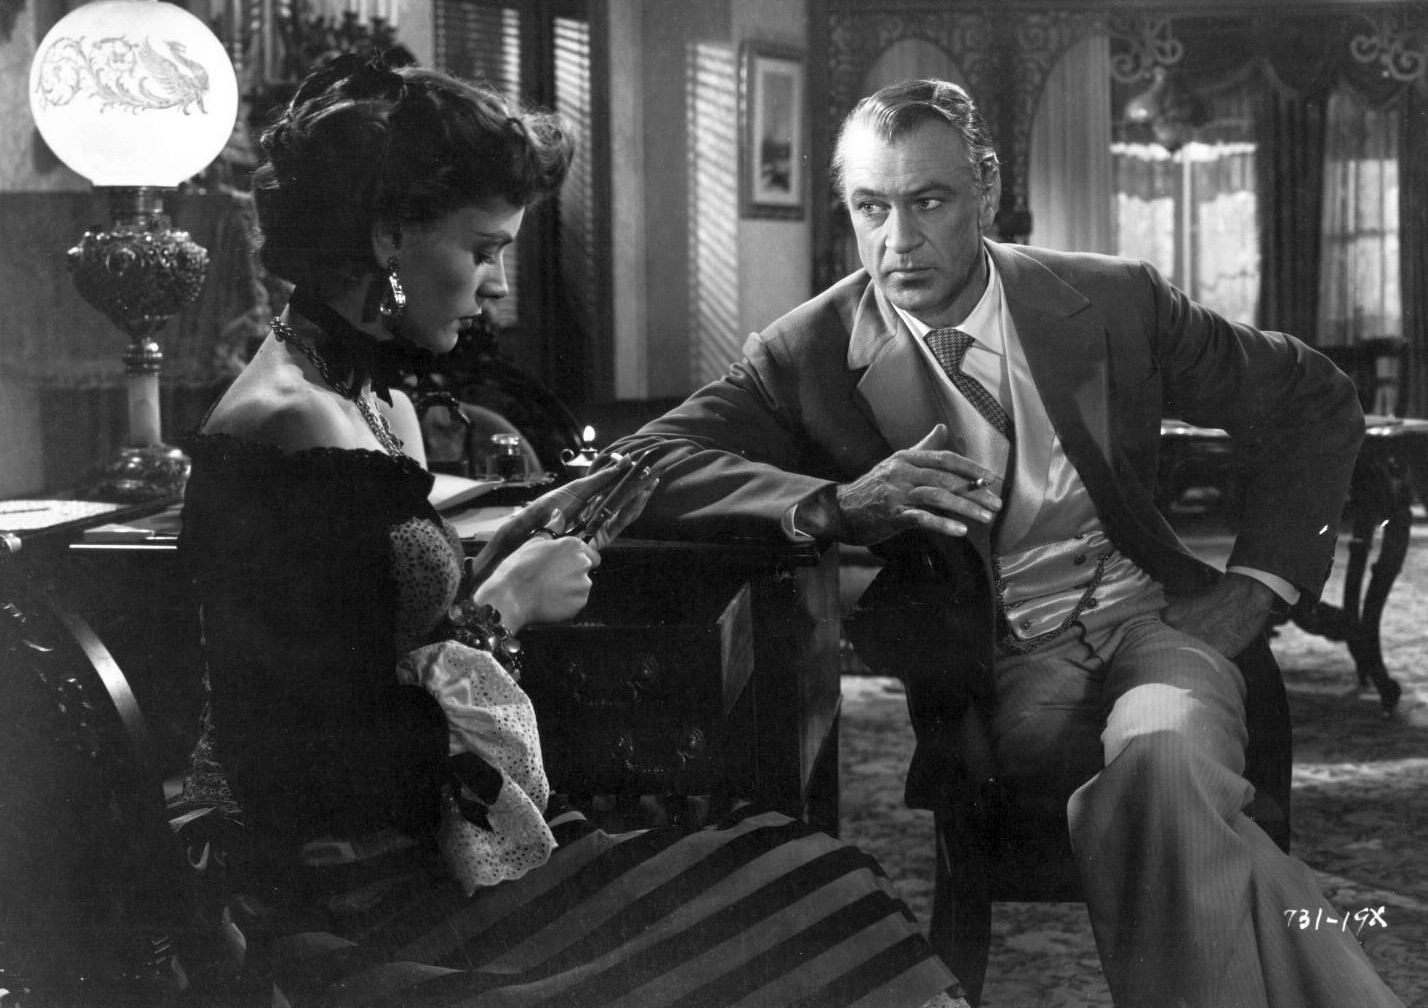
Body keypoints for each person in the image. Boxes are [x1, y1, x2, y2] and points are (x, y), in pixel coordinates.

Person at [175, 54, 965, 1008]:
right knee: (813, 918)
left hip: (432, 840)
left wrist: (495, 558)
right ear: (389, 236)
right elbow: (322, 761)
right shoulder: (287, 426)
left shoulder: (377, 401)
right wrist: (502, 611)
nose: (497, 283)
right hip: (359, 889)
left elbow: (375, 639)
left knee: (826, 878)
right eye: (483, 249)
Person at [602, 78, 1407, 1008]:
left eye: (928, 201)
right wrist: (836, 503)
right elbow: (641, 461)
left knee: (1164, 759)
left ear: (984, 185)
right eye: (871, 208)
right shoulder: (808, 351)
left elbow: (1313, 396)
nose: (898, 241)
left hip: (1159, 621)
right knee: (1168, 798)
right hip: (1008, 666)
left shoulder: (1113, 299)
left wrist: (1255, 588)